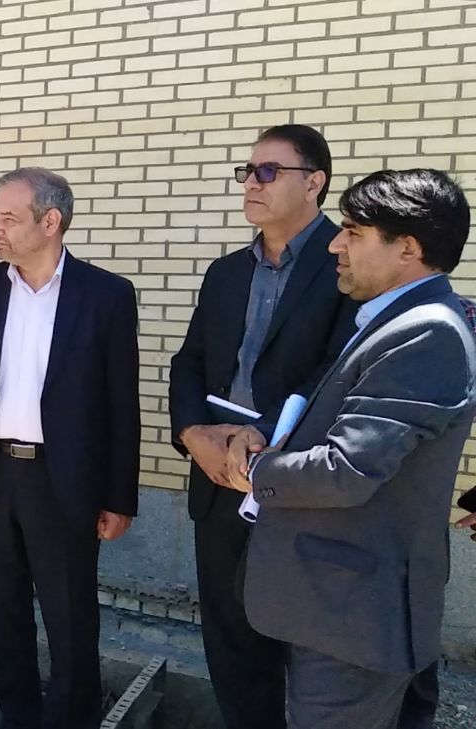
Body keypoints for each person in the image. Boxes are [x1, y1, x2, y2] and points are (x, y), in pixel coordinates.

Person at [223, 168, 476, 729]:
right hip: (342, 605)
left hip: (354, 616)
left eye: (354, 232)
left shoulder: (425, 332)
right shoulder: (396, 319)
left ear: (408, 248)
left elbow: (347, 469)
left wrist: (256, 471)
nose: (336, 244)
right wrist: (266, 430)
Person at [167, 124, 355, 729]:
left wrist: (263, 435)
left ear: (315, 182)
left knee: (302, 650)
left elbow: (339, 371)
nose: (251, 183)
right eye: (247, 171)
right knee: (231, 641)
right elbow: (190, 361)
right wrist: (193, 434)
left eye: (268, 171)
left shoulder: (347, 266)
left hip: (295, 485)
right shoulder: (226, 272)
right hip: (218, 481)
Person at [0, 167, 140, 728]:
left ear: (50, 222)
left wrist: (119, 496)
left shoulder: (106, 295)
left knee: (71, 619)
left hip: (63, 480)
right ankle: (18, 718)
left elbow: (122, 403)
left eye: (8, 218)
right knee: (0, 613)